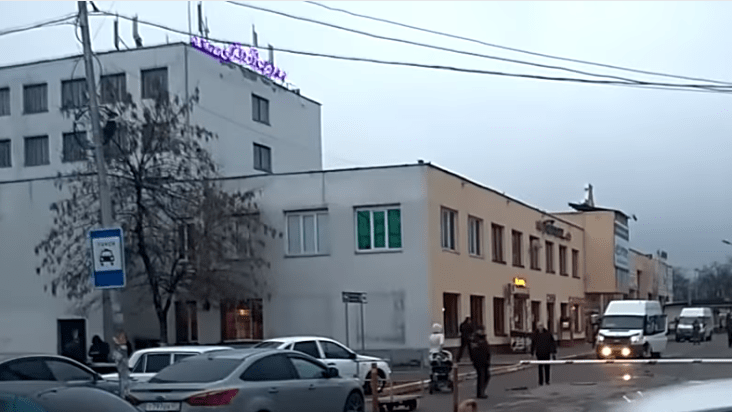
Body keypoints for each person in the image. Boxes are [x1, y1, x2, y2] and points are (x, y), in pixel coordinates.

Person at [469, 326, 490, 399]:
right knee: (481, 376)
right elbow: (473, 351)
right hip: (478, 361)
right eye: (481, 330)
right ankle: (480, 393)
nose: (482, 332)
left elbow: (487, 349)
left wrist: (488, 359)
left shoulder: (483, 338)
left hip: (485, 360)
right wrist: (474, 360)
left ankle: (482, 391)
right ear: (478, 330)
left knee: (487, 376)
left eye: (483, 330)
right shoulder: (475, 339)